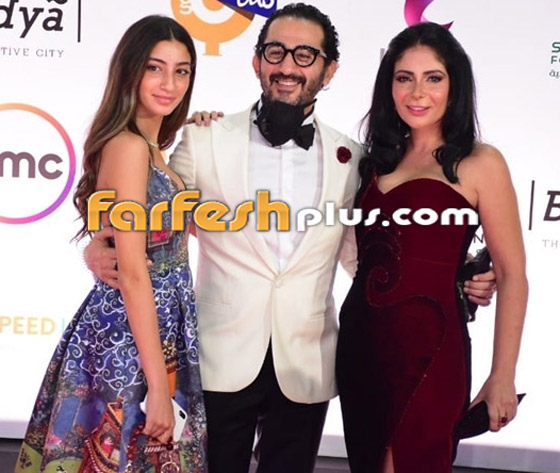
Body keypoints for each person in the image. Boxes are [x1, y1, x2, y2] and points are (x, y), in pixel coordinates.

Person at [85, 5, 496, 473]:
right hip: (218, 358)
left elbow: (369, 258)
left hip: (307, 362)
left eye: (305, 55)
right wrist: (98, 244)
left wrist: (457, 280)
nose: (288, 66)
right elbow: (154, 216)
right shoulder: (204, 139)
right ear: (257, 61)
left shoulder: (353, 158)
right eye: (276, 52)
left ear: (329, 70)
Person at [15, 15, 207, 473]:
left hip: (154, 332)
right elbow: (134, 270)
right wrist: (158, 388)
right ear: (130, 70)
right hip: (130, 338)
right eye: (155, 68)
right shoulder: (129, 147)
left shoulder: (153, 148)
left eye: (181, 71)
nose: (170, 83)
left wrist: (205, 132)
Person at [335, 22, 528, 473]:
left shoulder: (480, 163)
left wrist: (502, 375)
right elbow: (371, 256)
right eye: (404, 78)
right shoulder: (372, 162)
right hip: (363, 346)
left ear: (454, 85)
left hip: (432, 351)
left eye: (433, 78)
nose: (417, 92)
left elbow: (513, 274)